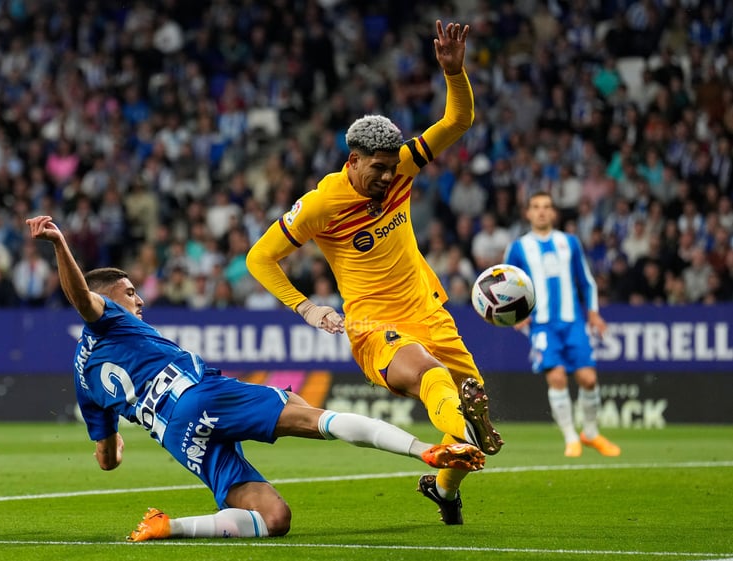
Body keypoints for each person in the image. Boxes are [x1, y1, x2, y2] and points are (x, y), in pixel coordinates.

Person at [25, 215, 485, 541]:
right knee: (310, 416)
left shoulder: (83, 376)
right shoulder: (108, 318)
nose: (139, 300)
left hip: (179, 436)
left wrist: (115, 445)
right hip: (200, 397)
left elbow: (105, 461)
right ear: (107, 297)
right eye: (129, 292)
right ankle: (426, 450)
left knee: (274, 518)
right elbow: (83, 299)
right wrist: (60, 242)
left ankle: (171, 527)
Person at [246, 21, 501, 525]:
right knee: (432, 378)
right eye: (377, 168)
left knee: (470, 425)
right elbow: (260, 257)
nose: (388, 177)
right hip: (371, 325)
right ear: (352, 159)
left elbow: (458, 120)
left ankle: (445, 491)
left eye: (392, 167)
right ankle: (459, 425)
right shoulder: (322, 203)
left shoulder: (404, 167)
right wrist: (306, 306)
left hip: (428, 310)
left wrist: (455, 73)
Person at [503, 192, 621, 457]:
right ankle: (571, 438)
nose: (542, 211)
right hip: (542, 325)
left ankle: (590, 433)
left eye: (546, 207)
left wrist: (593, 312)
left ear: (554, 213)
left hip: (573, 322)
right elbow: (505, 284)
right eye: (536, 207)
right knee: (556, 377)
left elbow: (586, 281)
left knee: (588, 379)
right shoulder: (518, 247)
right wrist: (515, 314)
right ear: (528, 213)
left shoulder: (570, 242)